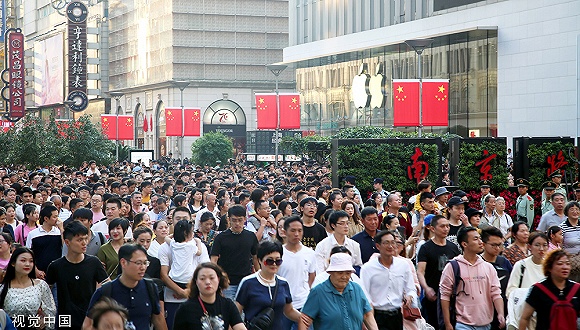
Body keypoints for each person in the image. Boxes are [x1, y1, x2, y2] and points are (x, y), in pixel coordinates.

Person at [84, 244, 167, 330]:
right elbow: (88, 325)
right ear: (123, 262)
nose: (143, 267)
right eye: (138, 263)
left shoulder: (150, 287)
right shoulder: (105, 291)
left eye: (145, 263)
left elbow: (158, 319)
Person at [46, 221, 109, 329]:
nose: (84, 243)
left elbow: (107, 284)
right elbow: (47, 291)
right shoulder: (56, 266)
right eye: (79, 240)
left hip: (89, 316)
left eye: (85, 238)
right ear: (67, 242)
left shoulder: (93, 262)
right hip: (65, 318)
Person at [440, 226, 505, 330]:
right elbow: (445, 296)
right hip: (462, 324)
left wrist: (500, 314)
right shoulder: (453, 267)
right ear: (464, 244)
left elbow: (496, 293)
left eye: (480, 238)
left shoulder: (488, 267)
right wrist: (448, 324)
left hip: (486, 324)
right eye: (475, 239)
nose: (480, 242)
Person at [298, 252, 378, 330]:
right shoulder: (318, 292)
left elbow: (367, 315)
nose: (344, 277)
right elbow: (304, 320)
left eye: (348, 273)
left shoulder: (356, 289)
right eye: (340, 273)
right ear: (330, 272)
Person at [236, 241, 301, 329]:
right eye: (269, 261)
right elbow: (235, 313)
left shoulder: (283, 283)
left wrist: (306, 318)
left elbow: (289, 311)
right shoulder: (248, 283)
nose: (274, 264)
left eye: (278, 261)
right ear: (260, 260)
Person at [361, 230, 417, 330]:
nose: (390, 246)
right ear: (378, 246)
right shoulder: (368, 268)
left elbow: (411, 288)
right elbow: (365, 295)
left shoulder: (403, 265)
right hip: (377, 315)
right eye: (386, 243)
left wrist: (410, 297)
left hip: (397, 315)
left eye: (393, 242)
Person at [159, 219, 205, 329]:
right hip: (187, 279)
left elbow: (166, 238)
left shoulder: (173, 244)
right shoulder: (190, 245)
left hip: (174, 278)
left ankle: (179, 293)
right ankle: (181, 293)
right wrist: (198, 241)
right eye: (192, 232)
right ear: (187, 234)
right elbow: (199, 252)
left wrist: (175, 234)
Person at [416, 215, 460, 328]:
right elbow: (420, 271)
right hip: (433, 296)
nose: (446, 229)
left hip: (452, 296)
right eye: (442, 226)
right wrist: (426, 288)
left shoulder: (453, 247)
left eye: (447, 226)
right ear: (433, 229)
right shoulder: (425, 248)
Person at [519, 249, 580, 330]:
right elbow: (524, 318)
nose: (565, 267)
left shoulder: (577, 289)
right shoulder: (538, 289)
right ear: (549, 268)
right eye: (560, 264)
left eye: (567, 264)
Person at [173, 263, 245, 330]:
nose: (208, 282)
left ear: (218, 279)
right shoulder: (185, 308)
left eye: (212, 278)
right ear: (196, 281)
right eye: (202, 279)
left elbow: (240, 327)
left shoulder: (227, 305)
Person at [210, 205, 259, 300]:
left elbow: (255, 258)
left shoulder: (250, 236)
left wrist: (259, 275)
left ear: (245, 219)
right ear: (229, 220)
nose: (237, 223)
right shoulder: (221, 238)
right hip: (227, 283)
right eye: (234, 220)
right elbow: (214, 260)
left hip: (246, 281)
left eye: (240, 220)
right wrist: (216, 280)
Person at [0, 247, 56, 330]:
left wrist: (45, 321)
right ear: (13, 263)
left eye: (31, 261)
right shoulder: (3, 288)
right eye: (23, 260)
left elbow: (51, 311)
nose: (27, 264)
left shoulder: (41, 285)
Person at [278, 216, 316, 330]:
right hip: (282, 305)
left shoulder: (309, 253)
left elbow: (311, 276)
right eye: (293, 230)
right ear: (285, 232)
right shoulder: (278, 253)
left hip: (304, 304)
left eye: (300, 231)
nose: (296, 234)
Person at [505, 232, 548, 329]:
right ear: (529, 246)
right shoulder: (521, 266)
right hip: (523, 313)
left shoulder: (550, 267)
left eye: (544, 245)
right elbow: (510, 291)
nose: (541, 249)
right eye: (537, 245)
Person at [481, 227, 512, 330]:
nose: (497, 248)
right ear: (483, 244)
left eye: (499, 245)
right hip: (483, 311)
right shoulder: (478, 263)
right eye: (493, 245)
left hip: (504, 309)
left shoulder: (504, 262)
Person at [314, 210, 362, 274]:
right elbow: (319, 271)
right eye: (342, 223)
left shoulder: (354, 245)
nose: (346, 226)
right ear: (333, 225)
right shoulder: (322, 246)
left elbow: (358, 266)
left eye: (347, 223)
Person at [560, 201, 580, 281]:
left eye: (577, 209)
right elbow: (560, 246)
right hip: (570, 262)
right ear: (566, 212)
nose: (575, 211)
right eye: (572, 209)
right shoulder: (562, 227)